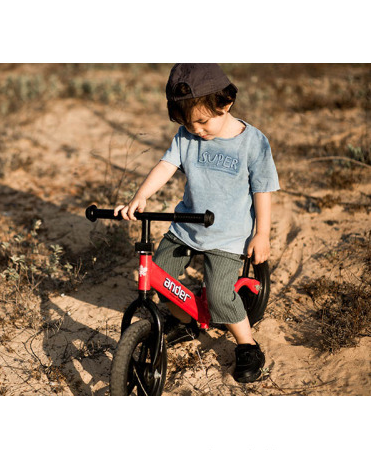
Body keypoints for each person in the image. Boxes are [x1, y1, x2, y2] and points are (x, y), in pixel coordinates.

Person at [114, 63, 280, 383]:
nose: (197, 131)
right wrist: (141, 196)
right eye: (189, 125)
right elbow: (166, 165)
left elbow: (263, 191)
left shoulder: (253, 143)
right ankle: (187, 321)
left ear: (225, 103)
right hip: (187, 227)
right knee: (158, 276)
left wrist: (261, 234)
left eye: (203, 121)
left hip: (228, 236)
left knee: (219, 296)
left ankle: (247, 345)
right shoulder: (187, 137)